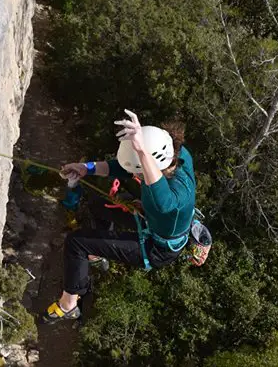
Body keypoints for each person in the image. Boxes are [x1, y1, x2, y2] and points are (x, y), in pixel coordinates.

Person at [42, 110, 196, 324]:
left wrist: (142, 151)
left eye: (139, 174)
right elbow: (122, 168)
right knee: (98, 205)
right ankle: (97, 256)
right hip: (151, 219)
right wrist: (87, 168)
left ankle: (69, 305)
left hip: (155, 248)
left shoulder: (173, 201)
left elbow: (163, 201)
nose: (135, 178)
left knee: (76, 242)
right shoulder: (177, 154)